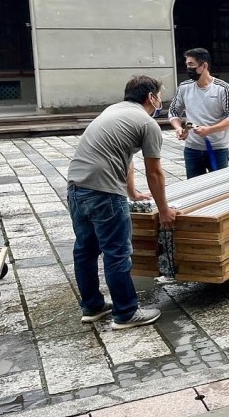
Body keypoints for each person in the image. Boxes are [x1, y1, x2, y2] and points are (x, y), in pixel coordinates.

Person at [66, 76, 178, 329]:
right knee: (117, 253)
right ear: (151, 97)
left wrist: (132, 193)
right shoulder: (147, 123)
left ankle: (92, 307)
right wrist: (164, 210)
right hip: (104, 193)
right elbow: (155, 173)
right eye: (159, 95)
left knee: (85, 251)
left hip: (76, 187)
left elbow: (125, 157)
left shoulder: (114, 111)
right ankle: (126, 313)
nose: (160, 100)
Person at [168, 48, 229, 178]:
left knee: (219, 187)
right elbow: (173, 111)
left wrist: (210, 130)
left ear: (204, 65)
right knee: (194, 188)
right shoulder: (184, 87)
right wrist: (178, 128)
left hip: (217, 148)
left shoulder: (222, 88)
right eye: (186, 64)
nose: (188, 68)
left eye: (191, 64)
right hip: (192, 149)